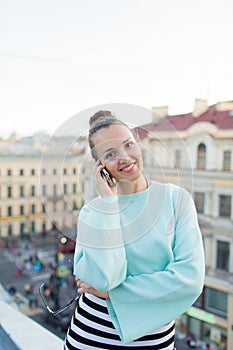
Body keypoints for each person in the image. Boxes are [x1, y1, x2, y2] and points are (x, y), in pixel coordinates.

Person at [64, 112, 205, 349]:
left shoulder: (175, 200)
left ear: (138, 142)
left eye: (128, 145)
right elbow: (105, 278)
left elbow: (190, 280)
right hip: (90, 339)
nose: (125, 157)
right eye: (110, 154)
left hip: (153, 343)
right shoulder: (94, 212)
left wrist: (113, 294)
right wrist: (109, 205)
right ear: (100, 165)